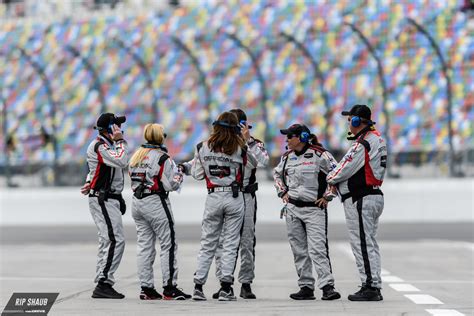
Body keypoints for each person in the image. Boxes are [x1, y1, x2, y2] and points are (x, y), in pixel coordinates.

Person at [190, 111, 257, 301]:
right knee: (230, 243)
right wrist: (244, 142)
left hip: (213, 196)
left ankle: (198, 286)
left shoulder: (202, 146)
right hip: (234, 196)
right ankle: (226, 288)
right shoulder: (239, 148)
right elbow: (254, 164)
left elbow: (197, 175)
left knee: (208, 242)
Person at [273, 123, 341, 301]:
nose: (286, 140)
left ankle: (327, 287)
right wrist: (282, 192)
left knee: (318, 249)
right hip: (293, 208)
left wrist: (327, 196)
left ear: (301, 137)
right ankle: (306, 286)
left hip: (314, 209)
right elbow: (276, 175)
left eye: (289, 136)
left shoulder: (320, 154)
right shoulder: (287, 157)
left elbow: (337, 174)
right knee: (299, 250)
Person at [326, 104, 387, 301]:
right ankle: (372, 283)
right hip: (372, 196)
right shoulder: (376, 138)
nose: (348, 124)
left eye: (350, 120)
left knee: (361, 243)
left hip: (361, 198)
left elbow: (344, 167)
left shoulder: (364, 142)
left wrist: (330, 179)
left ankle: (370, 286)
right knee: (368, 242)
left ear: (356, 121)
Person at [128, 123, 191, 300]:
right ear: (160, 137)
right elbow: (171, 185)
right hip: (155, 201)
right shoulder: (163, 158)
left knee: (144, 246)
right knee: (168, 244)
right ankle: (169, 288)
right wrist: (179, 173)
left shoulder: (136, 156)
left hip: (137, 202)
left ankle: (146, 288)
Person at [212, 109, 269, 299]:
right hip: (227, 194)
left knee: (247, 241)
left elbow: (263, 162)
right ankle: (224, 282)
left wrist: (248, 142)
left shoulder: (253, 144)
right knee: (222, 241)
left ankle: (246, 282)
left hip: (246, 195)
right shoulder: (220, 145)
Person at [80, 113, 129, 299]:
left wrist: (89, 181)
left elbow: (96, 169)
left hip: (108, 197)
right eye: (116, 125)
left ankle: (102, 279)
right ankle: (104, 282)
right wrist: (121, 141)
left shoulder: (106, 145)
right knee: (115, 239)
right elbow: (121, 161)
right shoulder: (100, 145)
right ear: (109, 129)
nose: (119, 128)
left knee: (107, 240)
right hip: (103, 198)